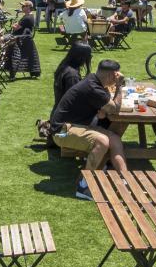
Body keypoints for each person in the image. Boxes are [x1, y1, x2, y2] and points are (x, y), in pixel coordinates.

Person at [49, 60, 128, 200]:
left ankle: (126, 181)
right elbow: (114, 109)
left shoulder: (94, 80)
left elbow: (105, 108)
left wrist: (103, 109)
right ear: (112, 75)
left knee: (114, 139)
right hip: (62, 131)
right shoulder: (93, 87)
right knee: (102, 141)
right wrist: (119, 85)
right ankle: (84, 186)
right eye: (116, 76)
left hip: (78, 126)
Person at [52, 42, 93, 112]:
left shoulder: (65, 67)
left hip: (60, 112)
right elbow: (75, 99)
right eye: (89, 56)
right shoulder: (72, 75)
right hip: (66, 117)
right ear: (81, 57)